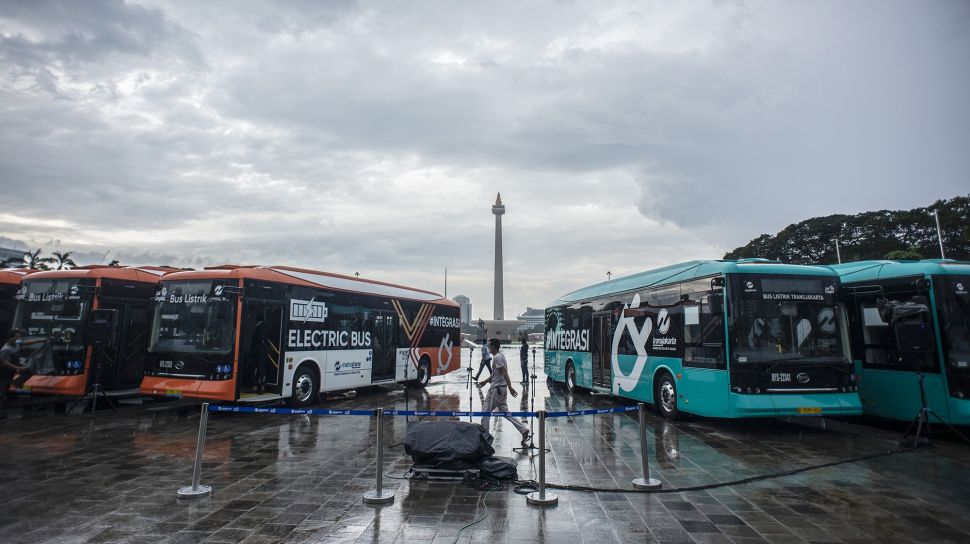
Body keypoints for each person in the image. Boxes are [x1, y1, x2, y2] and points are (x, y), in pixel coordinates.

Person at [478, 338, 530, 445]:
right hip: (501, 389)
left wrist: (510, 388)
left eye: (489, 346)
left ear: (494, 347)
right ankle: (523, 430)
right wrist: (485, 381)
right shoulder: (500, 356)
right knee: (506, 413)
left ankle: (484, 438)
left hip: (496, 390)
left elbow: (504, 373)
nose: (488, 348)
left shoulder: (497, 358)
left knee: (485, 412)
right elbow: (495, 374)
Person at [0, 329, 45, 409]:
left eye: (19, 337)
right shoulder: (6, 350)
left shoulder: (16, 344)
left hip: (11, 371)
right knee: (2, 390)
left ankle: (16, 383)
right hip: (4, 373)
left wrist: (39, 340)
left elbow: (27, 343)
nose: (19, 339)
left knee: (28, 371)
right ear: (11, 338)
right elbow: (4, 362)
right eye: (17, 337)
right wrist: (18, 367)